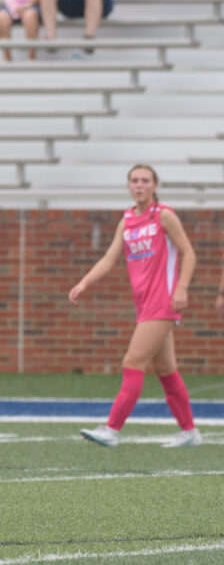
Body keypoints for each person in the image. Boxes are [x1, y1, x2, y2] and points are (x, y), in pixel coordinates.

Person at [69, 164, 201, 448]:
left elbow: (189, 253)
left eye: (145, 180)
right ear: (128, 185)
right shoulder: (127, 220)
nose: (139, 185)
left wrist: (181, 288)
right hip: (143, 304)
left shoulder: (164, 215)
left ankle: (112, 429)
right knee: (166, 370)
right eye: (134, 180)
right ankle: (189, 432)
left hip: (163, 301)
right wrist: (84, 282)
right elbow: (109, 258)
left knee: (133, 361)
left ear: (155, 185)